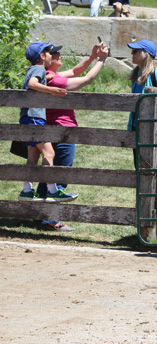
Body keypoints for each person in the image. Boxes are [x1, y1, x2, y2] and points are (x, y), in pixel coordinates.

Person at [37, 42, 109, 231]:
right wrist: (102, 60)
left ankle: (39, 215)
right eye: (54, 53)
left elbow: (76, 71)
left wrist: (92, 57)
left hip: (54, 129)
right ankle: (51, 219)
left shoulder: (48, 76)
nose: (59, 55)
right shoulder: (52, 80)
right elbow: (86, 80)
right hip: (62, 131)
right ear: (45, 58)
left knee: (49, 173)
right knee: (61, 174)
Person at [18, 41, 76, 203]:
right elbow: (32, 84)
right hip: (35, 119)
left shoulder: (34, 70)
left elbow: (33, 82)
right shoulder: (39, 70)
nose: (52, 55)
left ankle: (27, 190)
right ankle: (53, 191)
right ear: (42, 56)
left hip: (27, 118)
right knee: (49, 153)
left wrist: (47, 78)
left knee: (32, 158)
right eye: (49, 52)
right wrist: (52, 90)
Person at [127, 39, 157, 218]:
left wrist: (154, 124)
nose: (132, 54)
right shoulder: (136, 75)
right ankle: (143, 204)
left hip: (152, 129)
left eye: (136, 51)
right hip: (137, 128)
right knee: (140, 167)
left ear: (146, 54)